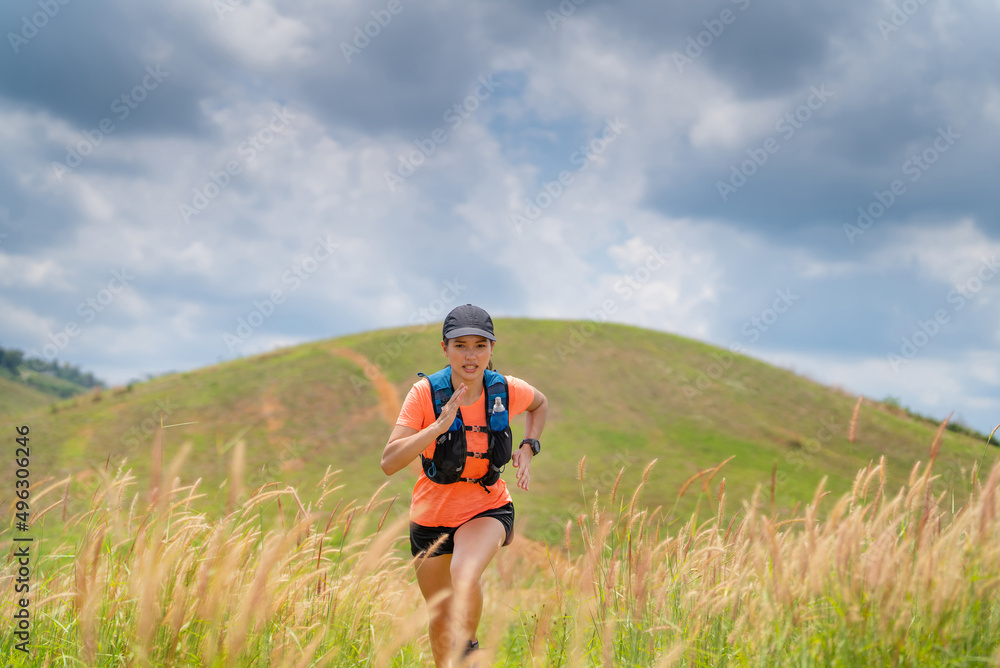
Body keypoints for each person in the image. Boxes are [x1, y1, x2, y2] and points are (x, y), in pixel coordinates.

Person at [381, 304, 548, 666]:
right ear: (444, 348)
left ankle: (469, 647)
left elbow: (540, 404)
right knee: (440, 616)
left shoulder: (505, 389)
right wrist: (436, 428)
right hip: (431, 517)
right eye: (460, 346)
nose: (470, 356)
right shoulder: (424, 394)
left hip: (487, 507)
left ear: (491, 348)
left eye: (479, 345)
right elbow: (389, 462)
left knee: (465, 573)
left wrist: (529, 445)